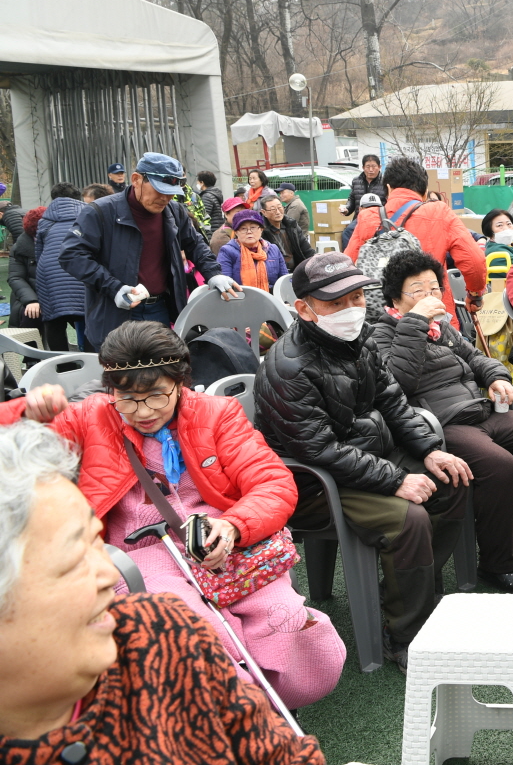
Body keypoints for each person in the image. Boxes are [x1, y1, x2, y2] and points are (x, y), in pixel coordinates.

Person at [5, 322, 346, 708]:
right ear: (110, 390)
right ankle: (236, 716)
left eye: (156, 396)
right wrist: (26, 411)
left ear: (180, 381)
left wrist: (233, 526)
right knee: (195, 632)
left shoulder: (218, 414)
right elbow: (10, 444)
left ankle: (261, 706)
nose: (143, 411)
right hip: (138, 555)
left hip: (223, 545)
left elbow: (272, 484)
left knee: (285, 618)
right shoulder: (92, 415)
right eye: (128, 398)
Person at [0, 421, 327, 764]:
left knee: (293, 627)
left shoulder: (160, 634)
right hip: (162, 552)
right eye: (71, 560)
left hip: (224, 553)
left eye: (95, 541)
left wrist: (233, 525)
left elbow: (277, 753)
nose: (108, 571)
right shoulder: (103, 424)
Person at [255, 252, 470, 673]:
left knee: (453, 479)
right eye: (336, 302)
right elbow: (319, 451)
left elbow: (392, 399)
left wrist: (429, 449)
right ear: (304, 308)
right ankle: (403, 635)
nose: (352, 309)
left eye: (357, 296)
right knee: (409, 518)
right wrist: (396, 481)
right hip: (317, 485)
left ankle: (414, 590)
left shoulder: (361, 339)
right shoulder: (288, 366)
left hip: (364, 460)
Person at [373, 250, 513, 592]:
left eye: (434, 288)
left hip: (478, 410)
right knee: (500, 465)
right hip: (438, 424)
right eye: (417, 290)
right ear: (395, 297)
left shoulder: (442, 329)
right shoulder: (381, 333)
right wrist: (416, 322)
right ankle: (497, 564)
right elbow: (398, 382)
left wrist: (497, 377)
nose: (429, 296)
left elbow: (475, 356)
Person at [60, 153, 239, 347]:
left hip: (160, 307)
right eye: (158, 190)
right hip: (115, 310)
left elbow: (195, 245)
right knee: (122, 372)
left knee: (161, 369)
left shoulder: (174, 211)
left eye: (171, 192)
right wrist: (113, 287)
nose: (165, 198)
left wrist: (213, 273)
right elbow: (72, 255)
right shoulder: (100, 212)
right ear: (136, 179)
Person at [344, 156, 487, 323]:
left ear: (388, 189)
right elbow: (474, 262)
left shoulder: (368, 216)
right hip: (433, 316)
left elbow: (348, 267)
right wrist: (474, 294)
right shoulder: (438, 211)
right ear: (425, 192)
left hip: (381, 321)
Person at [34, 184, 88, 351]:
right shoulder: (89, 215)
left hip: (49, 276)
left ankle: (63, 365)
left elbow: (39, 253)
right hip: (81, 272)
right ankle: (92, 361)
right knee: (88, 320)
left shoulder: (45, 220)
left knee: (54, 322)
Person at [216, 210, 289, 291]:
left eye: (253, 227)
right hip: (240, 299)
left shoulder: (273, 249)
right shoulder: (227, 251)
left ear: (261, 229)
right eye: (243, 229)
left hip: (271, 298)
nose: (249, 232)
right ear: (236, 232)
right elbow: (225, 284)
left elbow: (284, 280)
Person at [7, 206, 42, 337]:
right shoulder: (20, 247)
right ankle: (32, 356)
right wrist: (31, 300)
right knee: (30, 314)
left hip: (55, 296)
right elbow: (15, 277)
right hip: (31, 295)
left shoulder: (58, 242)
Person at [339, 154, 385, 251]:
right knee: (347, 233)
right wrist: (346, 208)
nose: (371, 170)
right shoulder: (356, 181)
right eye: (368, 167)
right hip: (359, 218)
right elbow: (352, 199)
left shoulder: (385, 182)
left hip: (378, 218)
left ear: (379, 167)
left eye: (373, 166)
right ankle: (348, 259)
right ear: (363, 167)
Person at [259, 194, 314, 271]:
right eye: (273, 209)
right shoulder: (261, 231)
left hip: (297, 270)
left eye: (279, 207)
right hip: (275, 272)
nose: (278, 212)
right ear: (264, 212)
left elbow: (306, 249)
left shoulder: (291, 225)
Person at [483, 209, 513, 279]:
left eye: (509, 224)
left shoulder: (512, 244)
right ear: (489, 231)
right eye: (499, 225)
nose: (506, 229)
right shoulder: (496, 252)